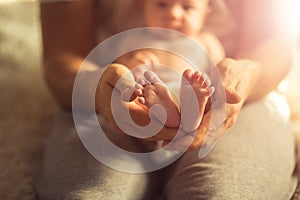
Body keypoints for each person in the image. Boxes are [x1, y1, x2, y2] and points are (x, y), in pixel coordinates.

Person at [37, 0, 298, 199]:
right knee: (91, 192)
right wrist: (112, 76)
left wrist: (238, 75)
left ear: (208, 10)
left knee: (223, 191)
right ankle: (166, 103)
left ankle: (186, 106)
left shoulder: (205, 41)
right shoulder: (134, 38)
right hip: (125, 96)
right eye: (161, 3)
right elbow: (64, 55)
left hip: (231, 98)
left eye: (186, 6)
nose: (173, 13)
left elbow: (272, 43)